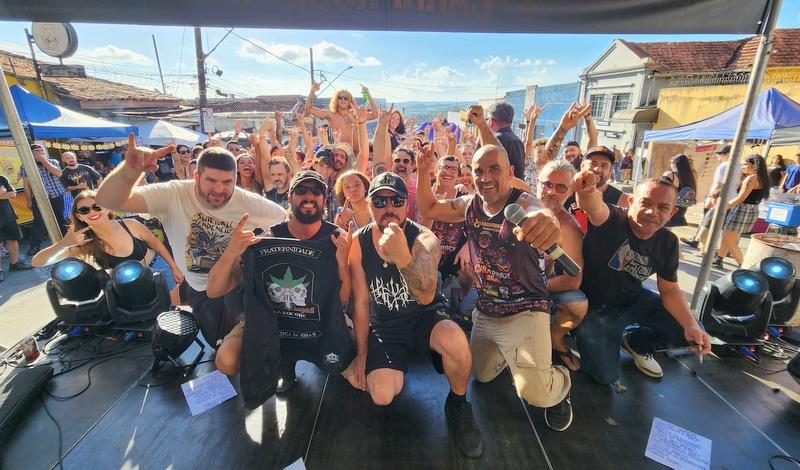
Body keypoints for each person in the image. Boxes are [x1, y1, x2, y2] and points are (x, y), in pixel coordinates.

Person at [416, 104, 573, 433]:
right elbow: (428, 207)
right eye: (478, 171)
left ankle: (559, 383)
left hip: (526, 309)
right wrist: (422, 169)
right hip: (487, 310)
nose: (485, 178)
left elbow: (539, 212)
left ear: (510, 171)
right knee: (481, 375)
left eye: (494, 169)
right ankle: (514, 355)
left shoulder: (522, 202)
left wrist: (546, 221)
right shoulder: (469, 205)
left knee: (535, 394)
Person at [95, 135, 286, 346]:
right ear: (196, 176)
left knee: (244, 346)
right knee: (216, 343)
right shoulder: (173, 194)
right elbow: (107, 200)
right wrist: (129, 171)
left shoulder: (245, 201)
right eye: (211, 180)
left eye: (227, 182)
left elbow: (285, 219)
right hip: (198, 288)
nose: (219, 190)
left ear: (235, 178)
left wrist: (262, 242)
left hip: (233, 286)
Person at [348, 171, 484, 457]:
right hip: (385, 326)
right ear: (369, 205)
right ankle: (398, 362)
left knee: (456, 340)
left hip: (424, 317)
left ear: (406, 205)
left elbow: (425, 295)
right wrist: (362, 353)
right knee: (382, 395)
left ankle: (458, 404)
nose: (388, 208)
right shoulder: (358, 243)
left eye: (396, 201)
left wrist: (401, 255)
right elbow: (360, 302)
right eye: (380, 201)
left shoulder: (424, 237)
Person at [209, 171, 355, 392]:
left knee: (360, 379)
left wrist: (342, 263)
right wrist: (232, 251)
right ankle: (282, 363)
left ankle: (323, 357)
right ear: (289, 197)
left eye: (316, 191)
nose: (309, 196)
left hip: (324, 320)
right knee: (227, 360)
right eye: (301, 190)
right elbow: (213, 291)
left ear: (324, 199)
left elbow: (343, 299)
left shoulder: (338, 238)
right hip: (273, 323)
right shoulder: (267, 238)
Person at [572, 171, 711, 385]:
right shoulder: (612, 218)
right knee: (606, 377)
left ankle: (635, 341)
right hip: (594, 310)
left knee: (690, 329)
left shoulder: (668, 242)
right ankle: (584, 335)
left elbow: (670, 290)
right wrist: (587, 191)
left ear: (672, 212)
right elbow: (593, 205)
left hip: (633, 300)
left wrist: (690, 324)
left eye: (663, 207)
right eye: (645, 203)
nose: (652, 212)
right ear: (631, 202)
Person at [31, 190, 184, 305]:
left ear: (107, 208)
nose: (92, 212)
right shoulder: (85, 242)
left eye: (97, 207)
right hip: (127, 285)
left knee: (171, 311)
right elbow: (37, 262)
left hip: (158, 271)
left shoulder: (131, 224)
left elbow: (157, 245)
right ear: (79, 216)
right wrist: (63, 243)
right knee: (148, 319)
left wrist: (174, 267)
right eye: (84, 210)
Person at [535, 160, 586, 372]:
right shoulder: (519, 206)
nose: (551, 191)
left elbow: (574, 279)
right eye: (547, 184)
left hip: (537, 286)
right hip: (501, 283)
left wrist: (535, 286)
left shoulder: (569, 227)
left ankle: (555, 337)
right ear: (537, 182)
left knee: (577, 306)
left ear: (571, 191)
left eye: (561, 187)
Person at [680, 145, 739, 255]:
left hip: (718, 200)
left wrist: (711, 197)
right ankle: (716, 249)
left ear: (727, 154)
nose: (718, 156)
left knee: (707, 225)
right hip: (731, 200)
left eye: (720, 154)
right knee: (719, 227)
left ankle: (703, 249)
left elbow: (718, 184)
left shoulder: (723, 167)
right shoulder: (738, 166)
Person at [715, 154, 769, 269]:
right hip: (751, 210)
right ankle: (719, 259)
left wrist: (723, 207)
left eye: (745, 164)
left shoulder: (751, 178)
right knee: (727, 237)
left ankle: (744, 266)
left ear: (754, 165)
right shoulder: (762, 178)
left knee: (729, 240)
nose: (742, 167)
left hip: (742, 209)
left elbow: (741, 198)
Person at [564, 146, 630, 233]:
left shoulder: (623, 200)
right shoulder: (566, 190)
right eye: (593, 164)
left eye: (604, 166)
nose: (597, 169)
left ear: (610, 171)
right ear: (582, 166)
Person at [22, 143, 68, 255]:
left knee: (60, 219)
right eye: (36, 151)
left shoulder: (53, 162)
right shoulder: (26, 166)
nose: (40, 153)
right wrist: (29, 200)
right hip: (39, 198)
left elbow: (58, 173)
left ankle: (66, 241)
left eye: (41, 150)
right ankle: (35, 245)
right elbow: (26, 184)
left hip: (56, 194)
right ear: (31, 154)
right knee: (39, 221)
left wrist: (44, 161)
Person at [305, 82, 377, 152]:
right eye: (340, 97)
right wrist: (312, 91)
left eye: (346, 98)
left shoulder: (355, 114)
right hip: (339, 153)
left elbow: (375, 115)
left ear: (350, 101)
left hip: (356, 153)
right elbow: (308, 109)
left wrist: (368, 93)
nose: (343, 100)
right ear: (336, 100)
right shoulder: (331, 115)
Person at [0, 173, 32, 279]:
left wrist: (4, 193)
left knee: (12, 240)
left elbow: (13, 194)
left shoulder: (1, 177)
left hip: (8, 215)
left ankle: (14, 264)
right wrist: (3, 193)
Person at [485, 102, 525, 180]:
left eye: (487, 119)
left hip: (500, 186)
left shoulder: (493, 140)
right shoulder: (518, 140)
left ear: (491, 121)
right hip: (517, 186)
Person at [662, 154, 697, 228]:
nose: (670, 165)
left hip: (666, 211)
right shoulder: (690, 177)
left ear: (675, 163)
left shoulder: (670, 175)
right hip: (680, 212)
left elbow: (661, 190)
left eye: (671, 162)